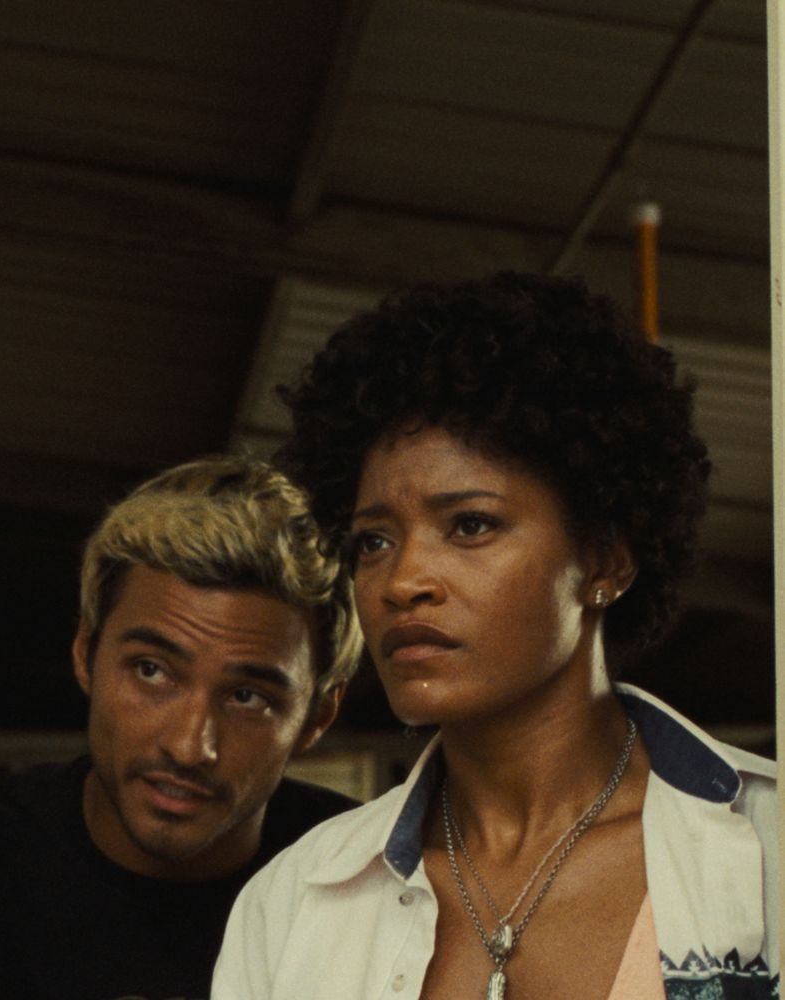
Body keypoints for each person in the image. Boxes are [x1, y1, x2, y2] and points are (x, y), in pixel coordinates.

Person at [212, 272, 779, 998]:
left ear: (605, 560)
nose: (403, 580)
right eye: (374, 541)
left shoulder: (769, 850)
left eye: (471, 525)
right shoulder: (294, 904)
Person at [0, 456, 365, 1000]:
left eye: (247, 697)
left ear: (317, 716)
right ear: (84, 653)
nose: (189, 746)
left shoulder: (372, 883)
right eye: (152, 671)